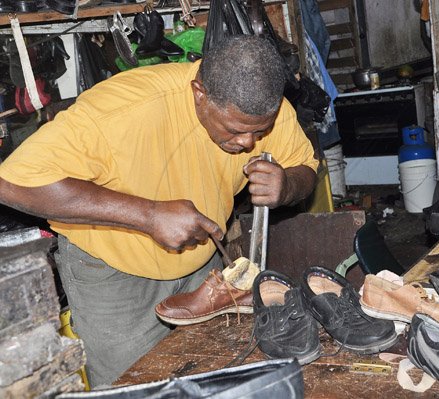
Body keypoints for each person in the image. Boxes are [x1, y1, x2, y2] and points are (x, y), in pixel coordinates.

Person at [0, 35, 318, 387]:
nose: (248, 143)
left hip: (201, 267)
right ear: (200, 94)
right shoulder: (122, 109)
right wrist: (148, 215)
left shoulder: (261, 108)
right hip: (113, 275)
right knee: (133, 387)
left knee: (213, 376)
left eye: (260, 132)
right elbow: (12, 183)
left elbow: (305, 167)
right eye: (235, 130)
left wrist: (287, 185)